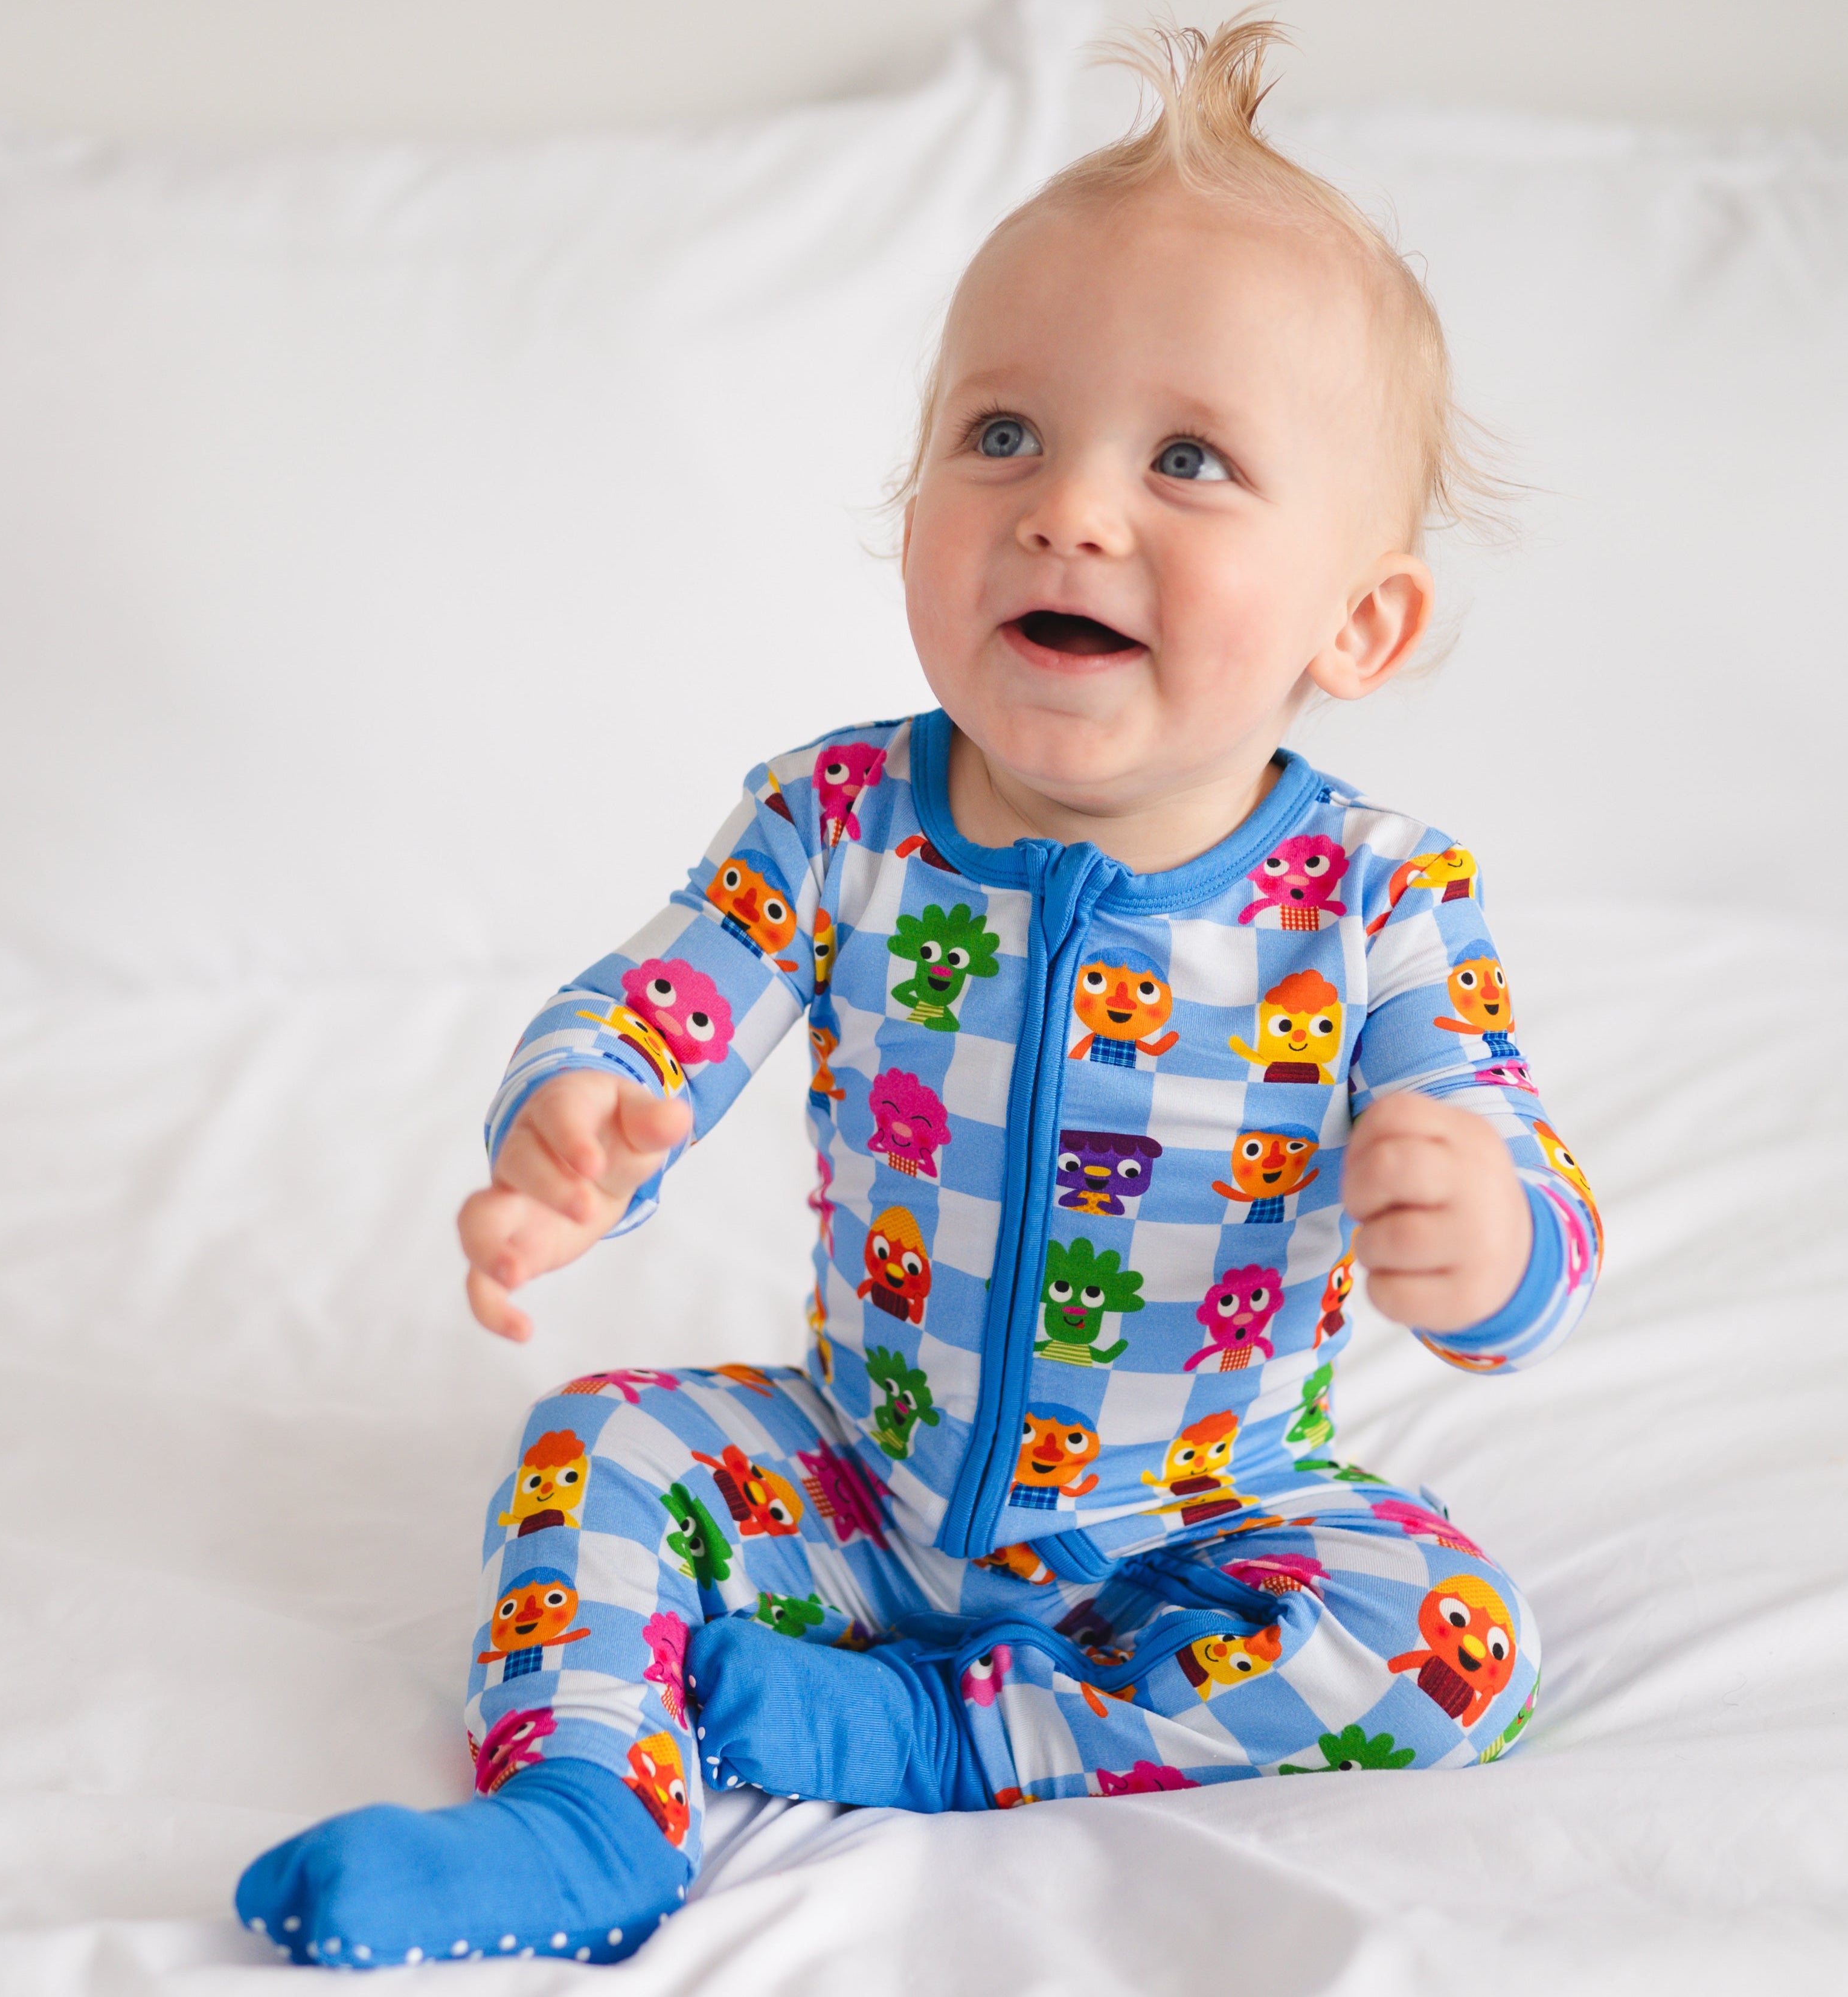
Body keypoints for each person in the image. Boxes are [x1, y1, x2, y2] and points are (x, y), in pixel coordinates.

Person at [236, 15, 1601, 1970]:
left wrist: (1476, 1233)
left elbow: (1535, 1216)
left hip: (1193, 1517)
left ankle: (953, 1733)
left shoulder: (1374, 899)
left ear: (1357, 620)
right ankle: (582, 1814)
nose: (1069, 508)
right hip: (855, 1472)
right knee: (597, 1445)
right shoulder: (842, 815)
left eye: (1189, 458)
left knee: (1450, 1642)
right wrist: (581, 1113)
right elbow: (663, 997)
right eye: (1000, 434)